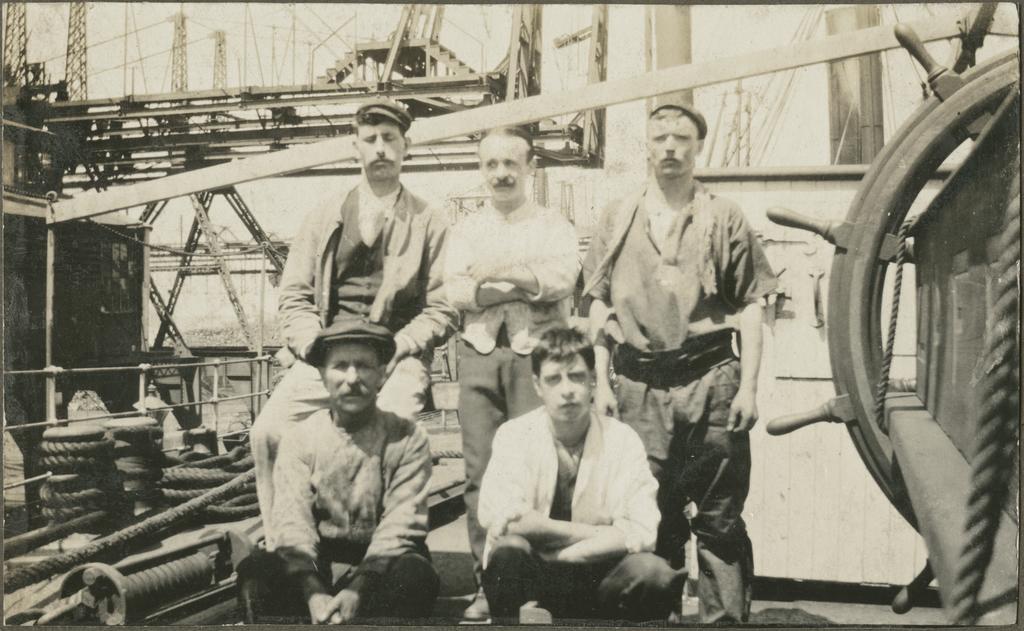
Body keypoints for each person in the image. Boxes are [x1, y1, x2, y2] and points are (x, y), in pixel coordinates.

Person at [581, 99, 777, 623]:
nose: (670, 147)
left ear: (698, 146)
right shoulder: (618, 216)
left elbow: (751, 305)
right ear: (646, 146)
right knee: (648, 517)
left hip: (710, 381)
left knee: (719, 519)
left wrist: (748, 388)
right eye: (660, 138)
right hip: (638, 386)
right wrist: (602, 382)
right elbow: (596, 303)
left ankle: (724, 621)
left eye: (681, 138)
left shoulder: (723, 216)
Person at [252, 97, 457, 548]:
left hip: (395, 357)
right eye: (370, 139)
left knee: (393, 428)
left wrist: (403, 346)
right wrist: (313, 348)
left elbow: (442, 307)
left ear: (406, 147)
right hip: (329, 355)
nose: (380, 148)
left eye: (390, 139)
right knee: (268, 431)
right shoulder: (324, 215)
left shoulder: (429, 221)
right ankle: (286, 548)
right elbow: (295, 294)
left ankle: (387, 549)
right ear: (355, 147)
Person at [444, 126, 580, 620]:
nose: (501, 174)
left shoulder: (552, 224)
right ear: (481, 170)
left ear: (530, 168)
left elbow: (562, 279)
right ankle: (490, 584)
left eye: (511, 164)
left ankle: (548, 582)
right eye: (491, 165)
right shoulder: (465, 229)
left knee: (544, 464)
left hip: (536, 356)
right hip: (480, 353)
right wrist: (523, 279)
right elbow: (455, 291)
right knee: (481, 471)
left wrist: (495, 274)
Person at [236, 320, 439, 624]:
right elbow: (293, 522)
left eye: (364, 366)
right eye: (340, 366)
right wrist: (313, 592)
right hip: (319, 560)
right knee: (256, 571)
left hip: (388, 561)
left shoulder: (407, 438)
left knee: (415, 576)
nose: (352, 378)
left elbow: (401, 524)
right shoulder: (300, 439)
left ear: (382, 373)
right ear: (322, 374)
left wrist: (358, 589)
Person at [477, 327, 684, 622]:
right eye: (554, 379)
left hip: (600, 574)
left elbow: (641, 532)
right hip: (537, 574)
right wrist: (597, 533)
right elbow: (507, 521)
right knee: (509, 551)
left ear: (592, 380)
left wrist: (555, 549)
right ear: (537, 385)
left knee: (652, 573)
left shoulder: (622, 439)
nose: (567, 390)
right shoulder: (515, 435)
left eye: (576, 376)